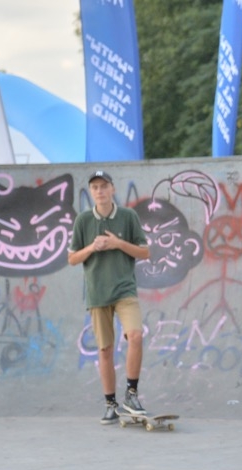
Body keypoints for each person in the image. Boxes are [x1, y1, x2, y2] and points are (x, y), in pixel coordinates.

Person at [68, 170, 150, 424]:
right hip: (98, 292)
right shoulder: (83, 220)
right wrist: (93, 247)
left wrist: (118, 244)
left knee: (135, 335)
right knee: (105, 350)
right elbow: (72, 259)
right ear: (91, 193)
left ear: (112, 189)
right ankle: (110, 404)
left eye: (104, 186)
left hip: (125, 290)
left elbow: (144, 252)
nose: (100, 191)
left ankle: (132, 394)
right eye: (95, 187)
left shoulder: (128, 217)